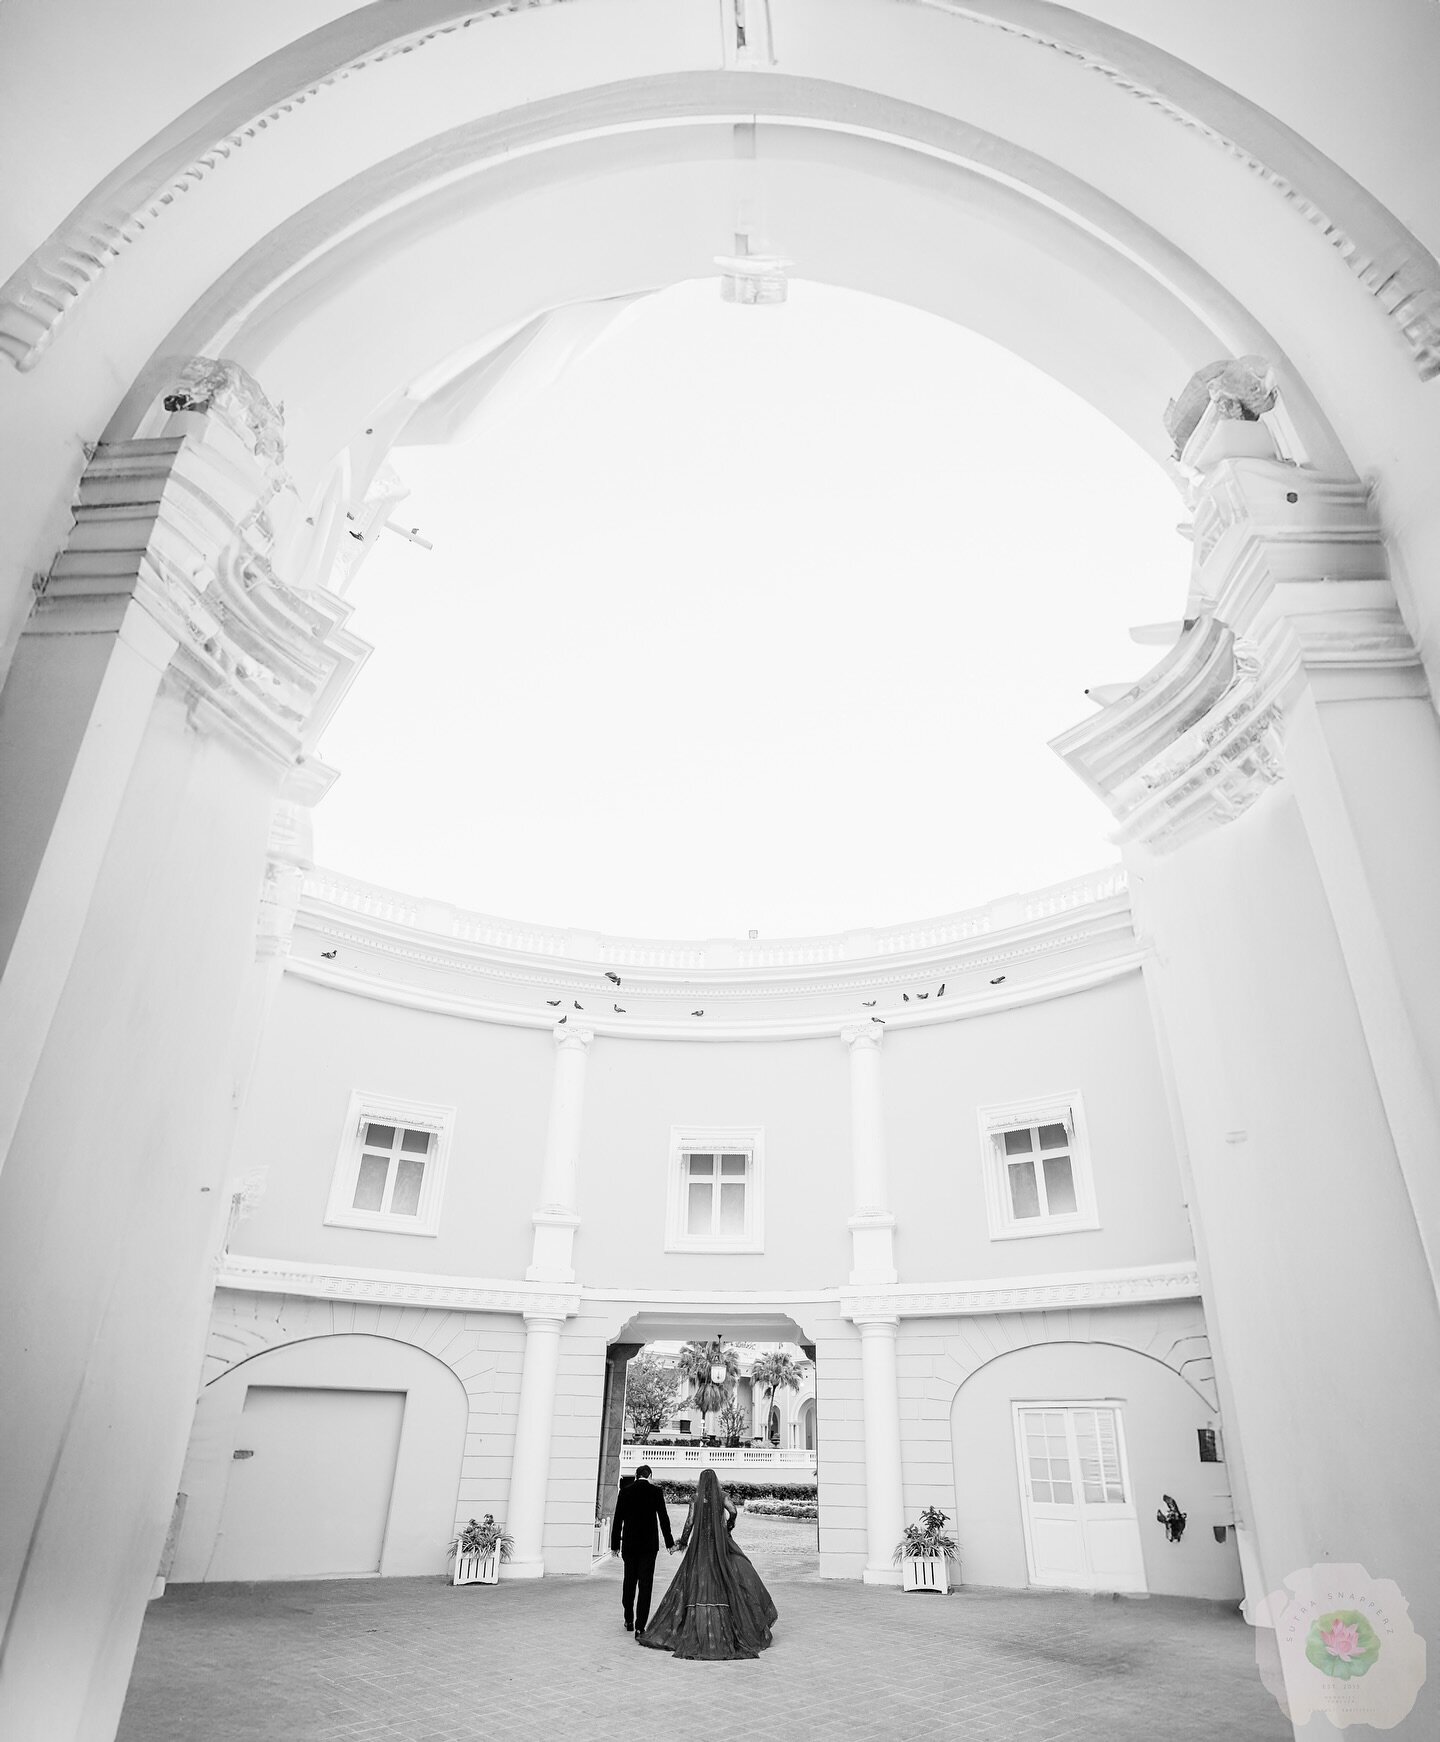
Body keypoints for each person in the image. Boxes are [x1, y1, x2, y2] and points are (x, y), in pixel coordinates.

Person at [637, 1468, 777, 1659]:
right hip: (720, 1547)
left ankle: (696, 1626)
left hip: (700, 1547)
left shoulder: (696, 1499)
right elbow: (734, 1511)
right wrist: (729, 1526)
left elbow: (689, 1523)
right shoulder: (723, 1496)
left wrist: (682, 1543)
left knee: (696, 1581)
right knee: (725, 1579)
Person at [609, 1463, 674, 1637]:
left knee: (629, 1581)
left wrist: (615, 1545)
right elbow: (663, 1519)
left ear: (637, 1476)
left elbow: (618, 1521)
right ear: (650, 1476)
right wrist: (669, 1543)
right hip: (648, 1547)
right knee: (646, 1585)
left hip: (629, 1545)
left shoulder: (625, 1492)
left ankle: (628, 1619)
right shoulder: (655, 1492)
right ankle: (640, 1627)